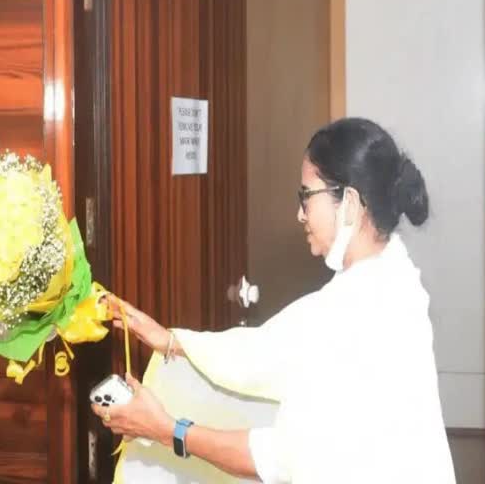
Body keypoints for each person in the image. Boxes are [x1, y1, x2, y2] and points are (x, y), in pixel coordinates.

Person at [94, 118, 456, 483]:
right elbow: (267, 351)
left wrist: (166, 430)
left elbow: (282, 458)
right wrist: (171, 341)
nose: (299, 213)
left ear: (348, 201)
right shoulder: (391, 278)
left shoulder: (351, 314)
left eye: (306, 196)